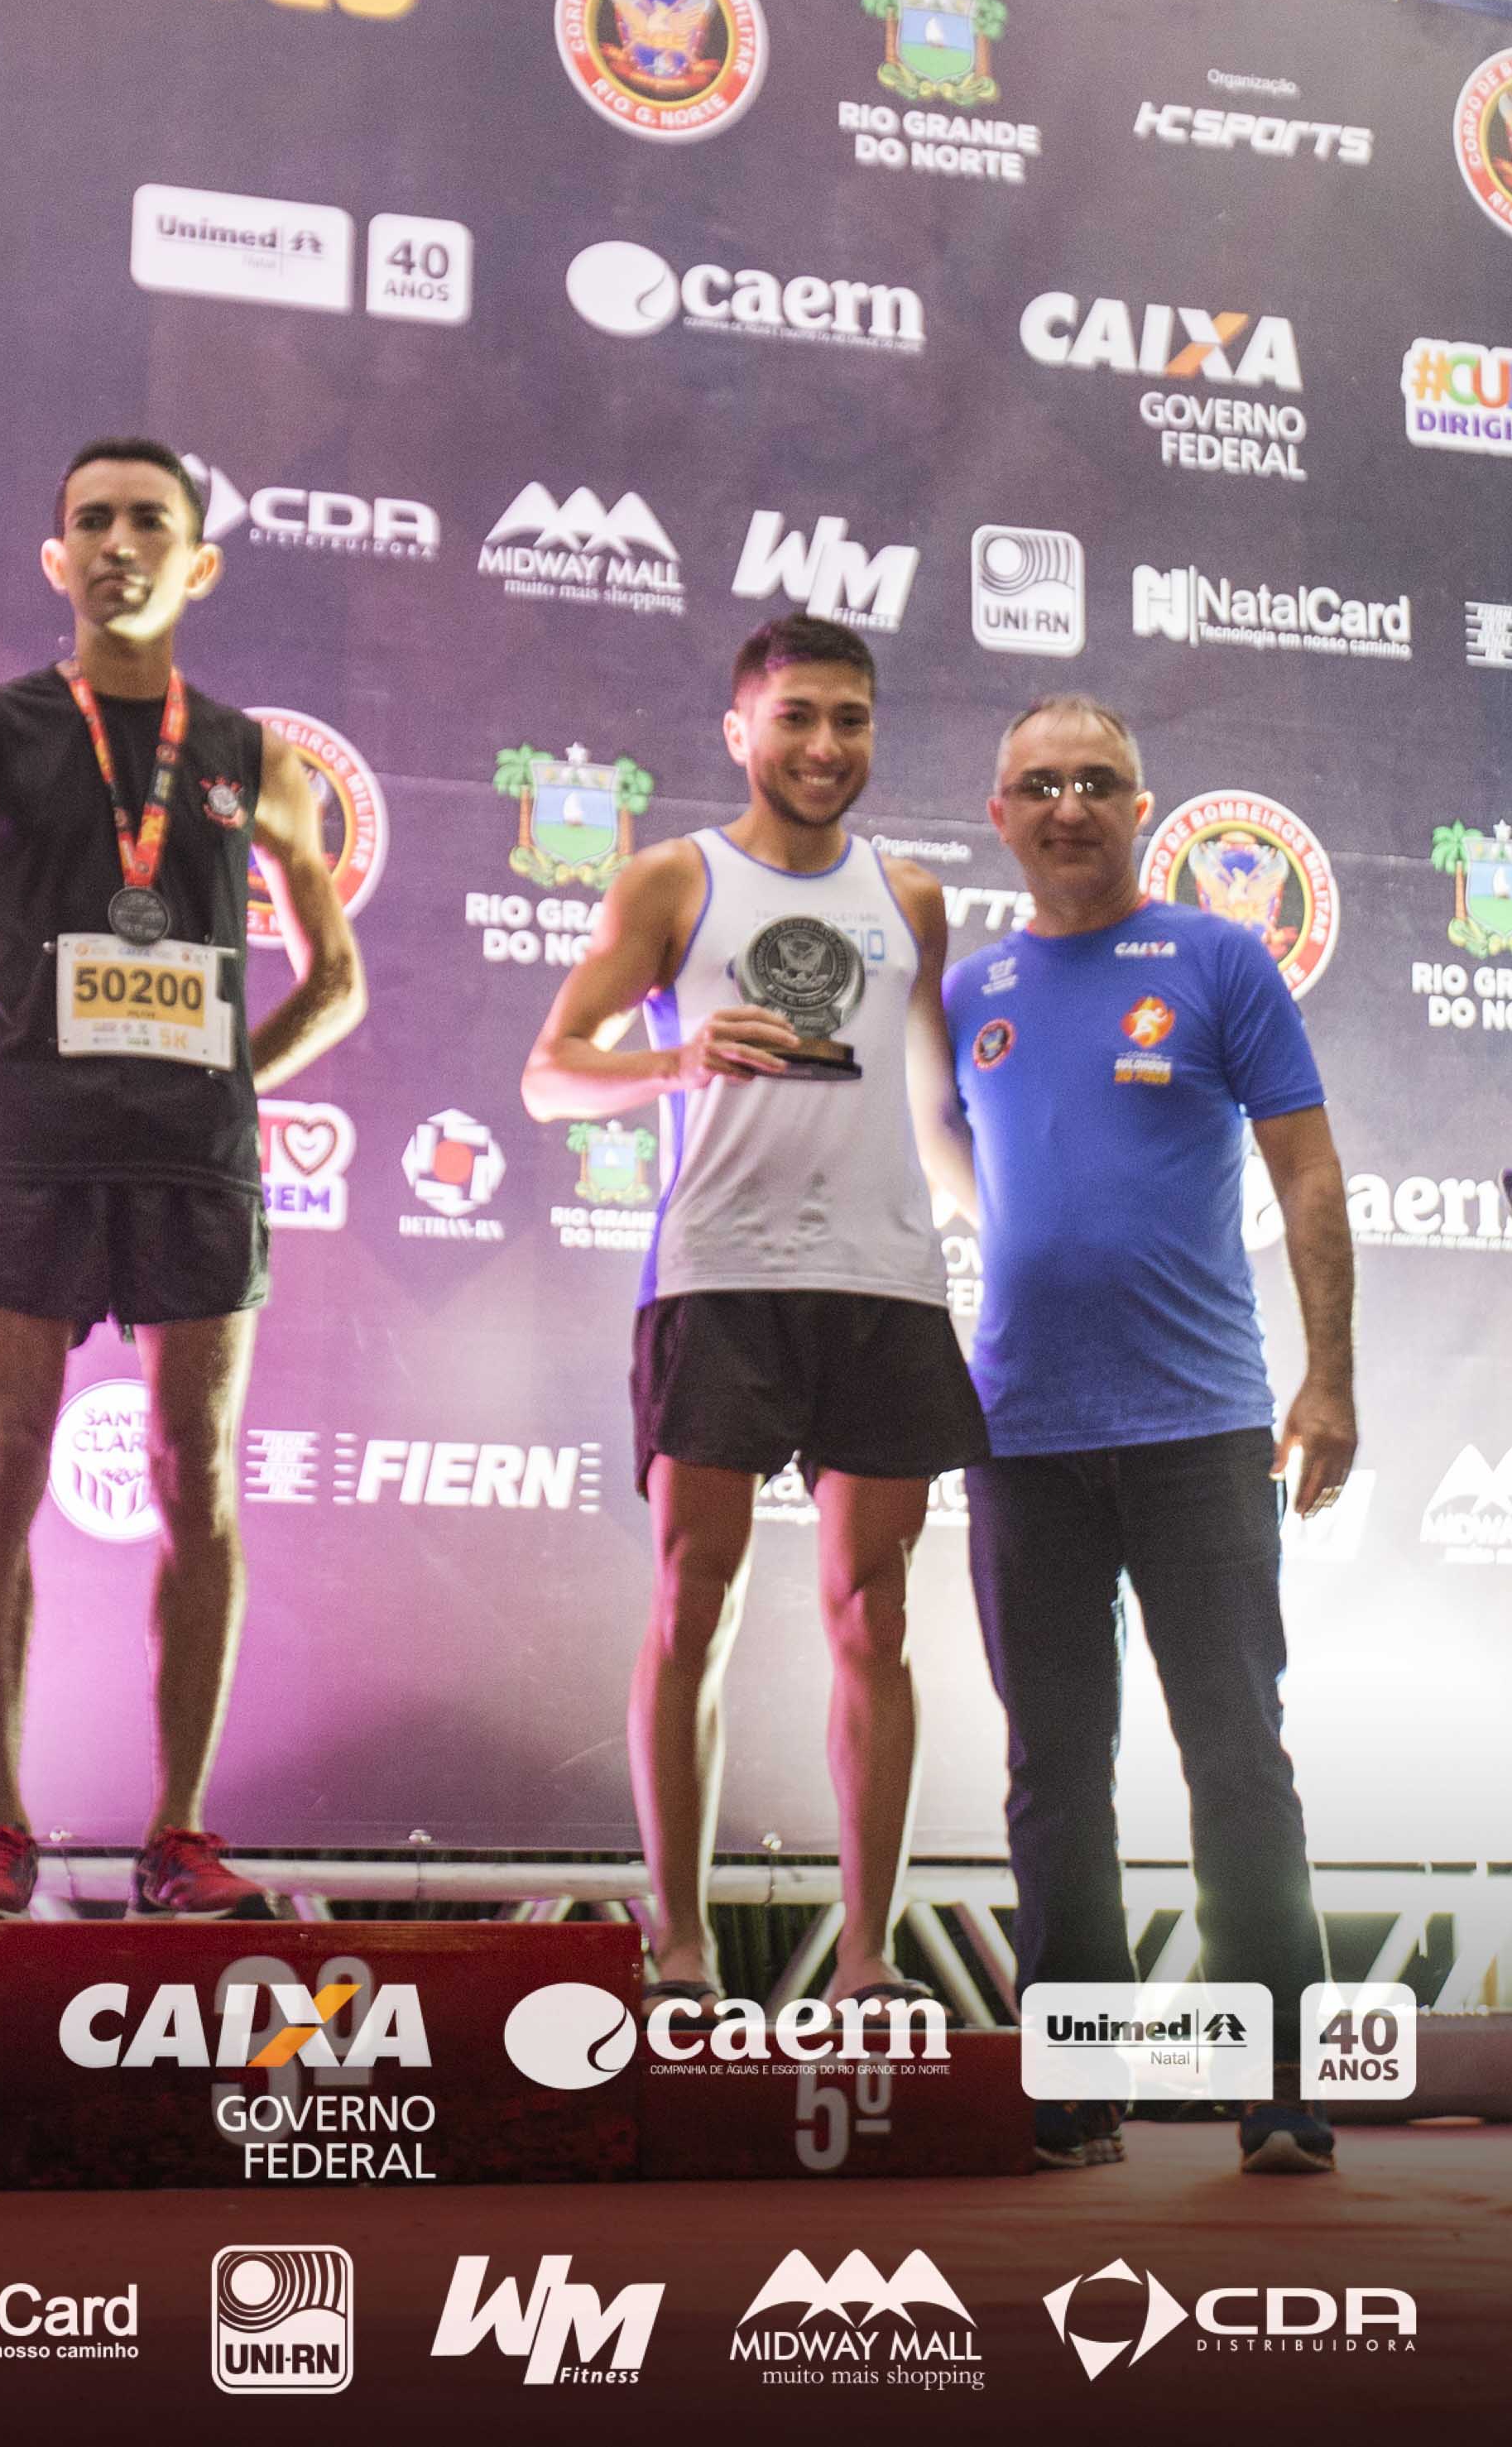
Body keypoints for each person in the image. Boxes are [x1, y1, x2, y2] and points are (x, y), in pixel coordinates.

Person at [0, 436, 363, 1918]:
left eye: (149, 521)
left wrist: (230, 1085)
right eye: (92, 521)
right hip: (34, 1160)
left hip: (194, 1167)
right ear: (56, 560)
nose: (119, 542)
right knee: (3, 1460)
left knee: (198, 1477)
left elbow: (336, 982)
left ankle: (179, 1834)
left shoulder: (253, 756)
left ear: (199, 564)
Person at [521, 613, 986, 2014]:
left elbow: (933, 1111)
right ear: (740, 732)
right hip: (719, 1280)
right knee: (690, 1600)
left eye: (849, 718)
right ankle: (680, 1947)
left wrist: (1009, 1235)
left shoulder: (912, 897)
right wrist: (672, 1062)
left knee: (873, 1616)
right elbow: (549, 1073)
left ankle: (867, 1956)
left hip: (883, 1285)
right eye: (795, 717)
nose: (824, 744)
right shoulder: (673, 878)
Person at [925, 696, 1357, 2177]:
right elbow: (950, 1160)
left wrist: (1330, 1377)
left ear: (1139, 807)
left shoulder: (1220, 960)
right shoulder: (968, 989)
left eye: (1096, 782)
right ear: (999, 814)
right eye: (1038, 784)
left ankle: (1280, 2084)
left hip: (1199, 1426)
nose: (1068, 806)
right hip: (1021, 1432)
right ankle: (1078, 2086)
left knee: (1235, 1752)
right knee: (1054, 1765)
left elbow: (1307, 1174)